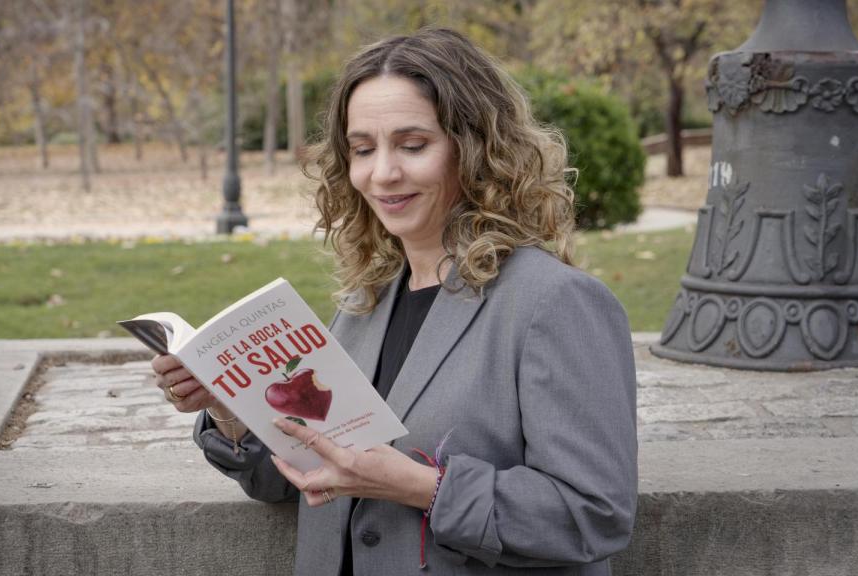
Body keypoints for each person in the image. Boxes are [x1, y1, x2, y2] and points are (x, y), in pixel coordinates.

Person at [152, 27, 637, 576]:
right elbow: (296, 478)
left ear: (476, 150)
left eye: (413, 145)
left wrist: (422, 487)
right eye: (363, 149)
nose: (382, 173)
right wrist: (229, 410)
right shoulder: (367, 301)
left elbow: (594, 515)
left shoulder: (557, 303)